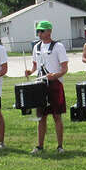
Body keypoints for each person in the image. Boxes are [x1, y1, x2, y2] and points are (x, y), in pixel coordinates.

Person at [23, 20, 68, 154]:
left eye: (42, 31)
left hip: (55, 84)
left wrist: (55, 76)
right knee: (41, 116)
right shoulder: (36, 47)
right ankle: (40, 145)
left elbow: (65, 68)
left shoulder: (58, 46)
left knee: (56, 116)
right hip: (40, 85)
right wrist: (30, 71)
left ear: (49, 31)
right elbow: (35, 65)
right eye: (38, 31)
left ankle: (60, 146)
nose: (39, 33)